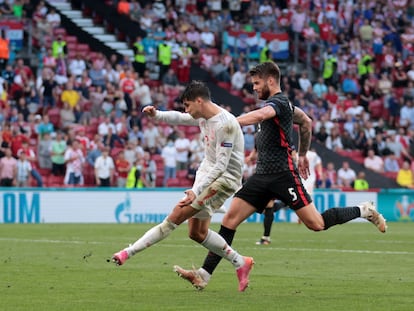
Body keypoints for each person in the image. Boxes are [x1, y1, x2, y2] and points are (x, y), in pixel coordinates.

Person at [173, 62, 387, 291]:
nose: (254, 88)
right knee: (229, 221)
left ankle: (364, 210)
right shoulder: (285, 107)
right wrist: (303, 154)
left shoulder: (279, 103)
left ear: (271, 80)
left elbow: (263, 115)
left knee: (317, 224)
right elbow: (306, 122)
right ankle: (204, 275)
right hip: (262, 176)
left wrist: (228, 122)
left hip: (284, 175)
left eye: (257, 83)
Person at [111, 81, 254, 292]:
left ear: (199, 100)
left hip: (224, 180)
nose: (186, 110)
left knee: (175, 216)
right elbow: (181, 118)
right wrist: (157, 115)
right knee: (196, 233)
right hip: (207, 175)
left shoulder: (226, 124)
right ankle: (240, 262)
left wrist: (196, 191)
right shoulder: (203, 116)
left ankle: (127, 252)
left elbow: (221, 166)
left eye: (187, 105)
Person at [256, 148, 322, 245]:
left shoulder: (297, 153)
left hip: (287, 178)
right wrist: (319, 175)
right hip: (296, 180)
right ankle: (266, 235)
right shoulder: (307, 154)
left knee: (273, 205)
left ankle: (266, 235)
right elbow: (318, 166)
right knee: (278, 204)